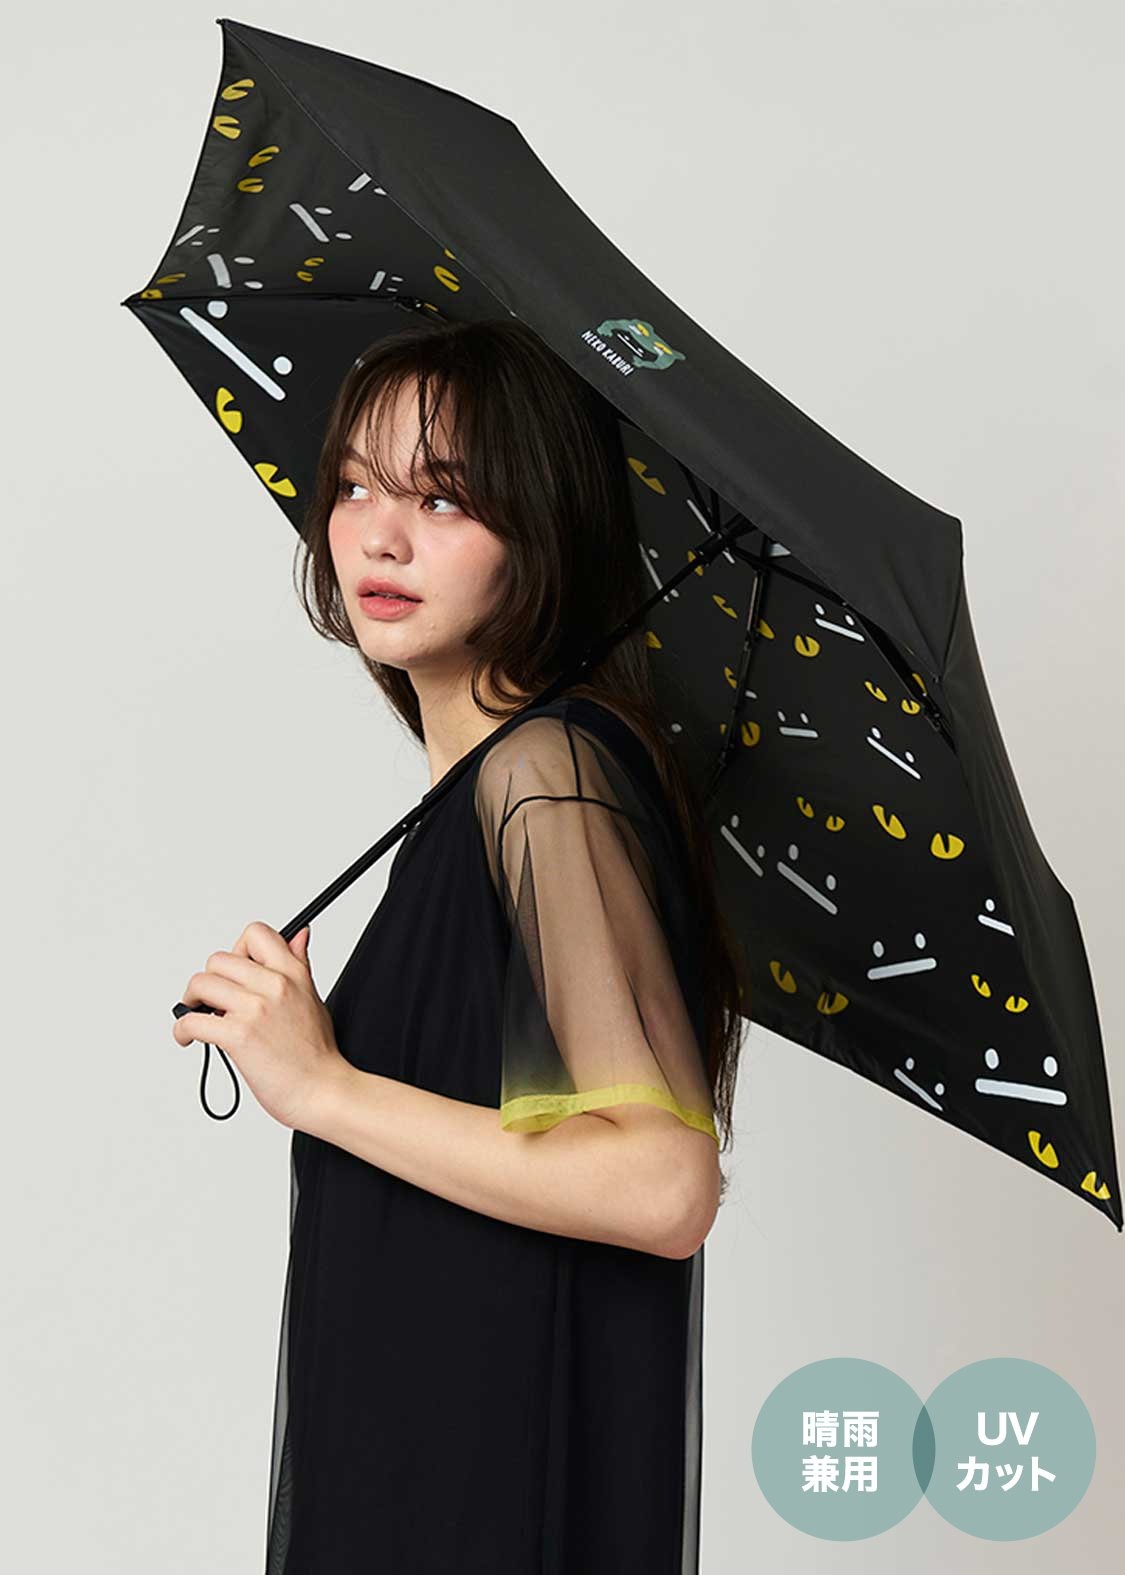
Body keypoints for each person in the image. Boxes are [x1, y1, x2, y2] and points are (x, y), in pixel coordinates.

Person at [173, 317, 748, 1573]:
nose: (380, 536)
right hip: (421, 1463)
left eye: (443, 498)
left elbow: (664, 1185)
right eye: (356, 486)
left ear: (541, 530)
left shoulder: (546, 776)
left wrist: (322, 1086)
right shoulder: (487, 794)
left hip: (479, 1493)